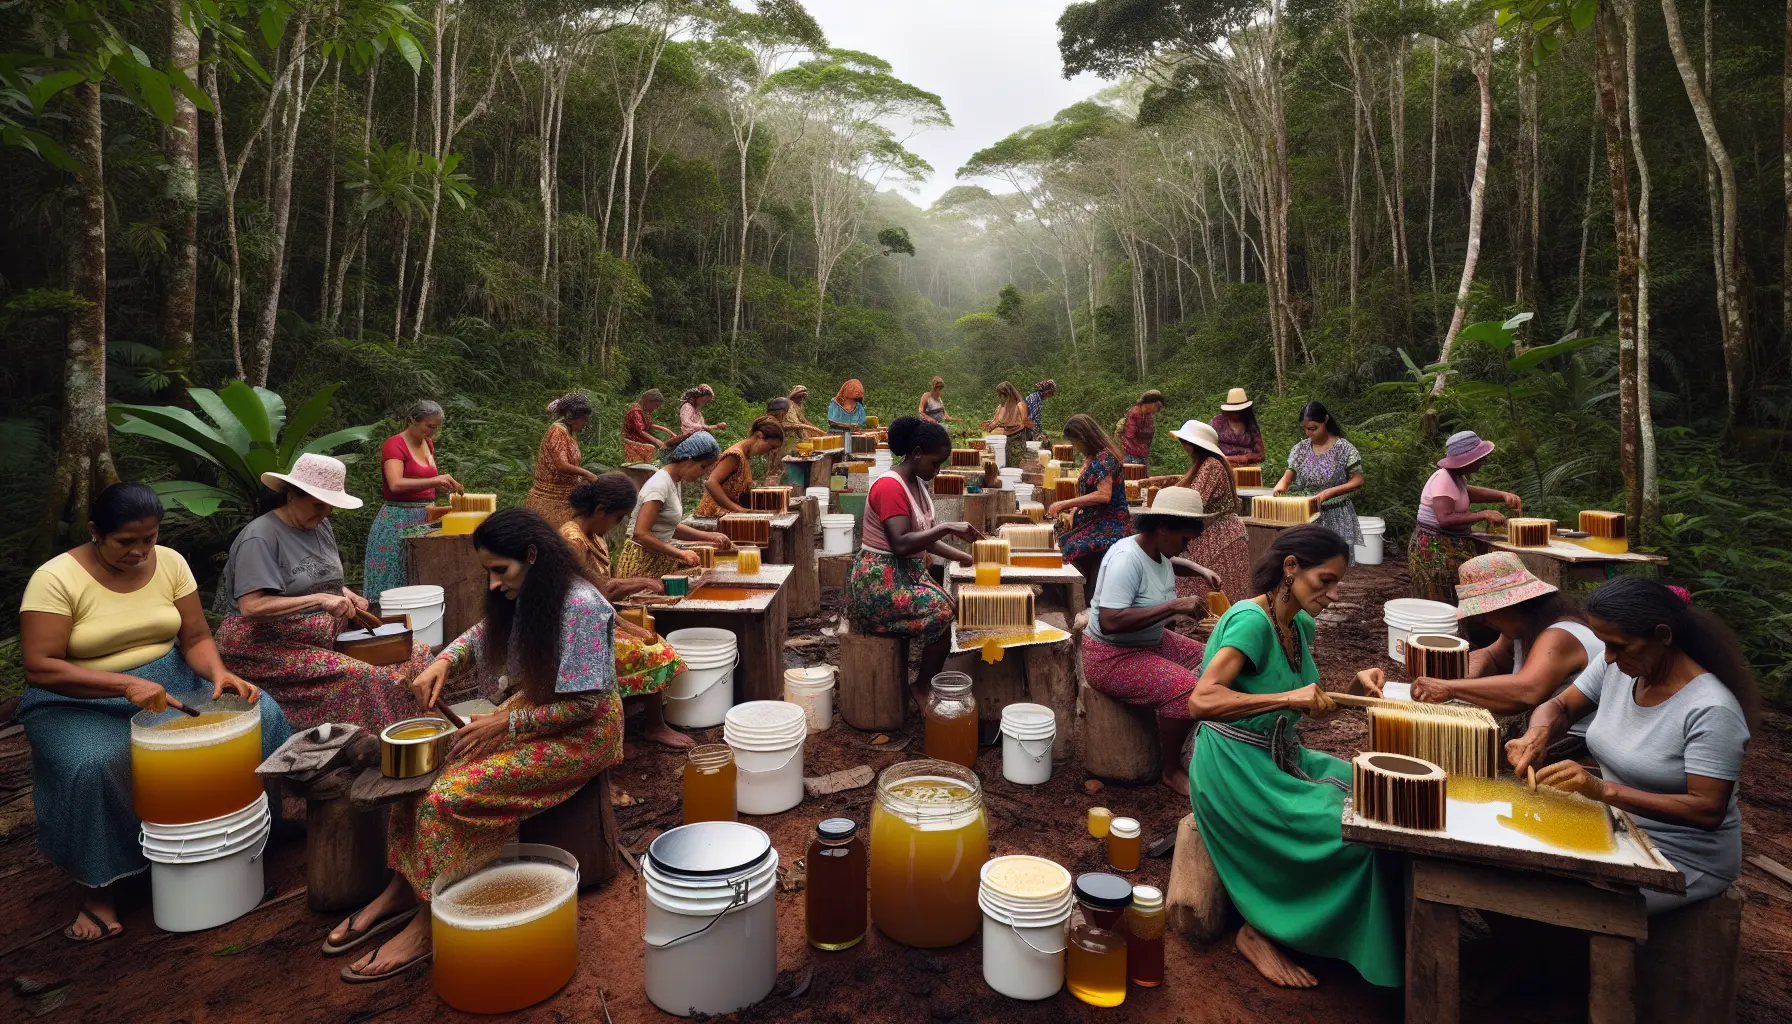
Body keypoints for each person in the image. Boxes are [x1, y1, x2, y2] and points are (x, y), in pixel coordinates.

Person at [328, 508, 624, 980]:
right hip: (535, 713)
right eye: (487, 571)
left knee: (450, 797)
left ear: (531, 556)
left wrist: (503, 726)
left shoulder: (583, 607)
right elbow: (483, 634)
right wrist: (444, 661)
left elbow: (585, 706)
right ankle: (404, 886)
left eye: (499, 570)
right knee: (430, 773)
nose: (491, 584)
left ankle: (427, 921)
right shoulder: (533, 588)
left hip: (581, 734)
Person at [19, 483, 292, 942]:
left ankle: (253, 836)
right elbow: (40, 665)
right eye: (126, 541)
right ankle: (100, 888)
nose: (141, 551)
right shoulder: (55, 578)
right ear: (95, 532)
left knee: (258, 711)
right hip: (77, 698)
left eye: (149, 539)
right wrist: (124, 683)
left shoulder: (169, 562)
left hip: (173, 681)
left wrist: (218, 674)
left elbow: (195, 638)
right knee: (97, 764)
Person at [1188, 525, 1400, 989]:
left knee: (1378, 799)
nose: (1334, 593)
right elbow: (1201, 702)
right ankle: (1261, 929)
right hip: (1233, 768)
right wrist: (1286, 699)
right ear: (1290, 568)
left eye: (1337, 582)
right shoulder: (1251, 622)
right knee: (1348, 833)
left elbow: (1310, 712)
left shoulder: (1299, 623)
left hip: (1280, 756)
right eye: (1326, 580)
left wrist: (1349, 692)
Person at [1508, 577, 1755, 915]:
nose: (1607, 657)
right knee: (1510, 857)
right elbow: (1561, 707)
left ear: (1663, 636)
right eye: (1604, 644)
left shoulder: (1711, 710)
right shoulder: (1620, 667)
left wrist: (1602, 790)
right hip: (1618, 824)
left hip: (1680, 855)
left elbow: (1707, 809)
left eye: (1619, 646)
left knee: (1558, 902)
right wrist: (1537, 732)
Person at [215, 454, 431, 730]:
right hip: (264, 644)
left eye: (329, 506)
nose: (324, 512)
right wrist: (320, 600)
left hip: (323, 633)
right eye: (318, 504)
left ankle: (424, 728)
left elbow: (314, 575)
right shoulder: (260, 537)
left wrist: (345, 593)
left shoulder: (319, 524)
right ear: (291, 495)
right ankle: (381, 742)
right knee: (366, 677)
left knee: (417, 653)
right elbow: (252, 607)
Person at [1080, 487, 1224, 795]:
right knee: (1186, 689)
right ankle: (1170, 769)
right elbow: (1110, 621)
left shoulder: (1156, 550)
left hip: (1151, 641)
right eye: (1184, 540)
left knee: (1217, 656)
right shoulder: (1126, 559)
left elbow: (1168, 564)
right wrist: (1174, 606)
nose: (1185, 548)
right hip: (1111, 656)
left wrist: (1198, 569)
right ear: (1161, 528)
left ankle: (1195, 734)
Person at [846, 416, 980, 710]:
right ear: (917, 453)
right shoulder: (891, 487)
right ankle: (920, 687)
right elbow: (901, 542)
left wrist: (970, 558)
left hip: (904, 573)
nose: (938, 469)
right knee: (943, 611)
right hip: (879, 582)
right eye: (935, 462)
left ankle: (925, 678)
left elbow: (925, 541)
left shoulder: (916, 484)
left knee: (950, 601)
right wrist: (947, 527)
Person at [561, 476, 690, 751]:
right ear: (600, 511)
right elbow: (586, 597)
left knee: (652, 638)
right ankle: (650, 726)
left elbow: (602, 591)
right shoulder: (572, 541)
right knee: (657, 652)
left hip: (598, 620)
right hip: (579, 632)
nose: (617, 525)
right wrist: (640, 582)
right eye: (618, 517)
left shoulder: (593, 536)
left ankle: (639, 720)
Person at [364, 400, 464, 601]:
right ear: (412, 420)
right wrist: (435, 480)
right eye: (429, 426)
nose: (432, 432)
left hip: (425, 518)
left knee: (421, 578)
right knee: (396, 579)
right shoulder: (394, 445)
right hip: (398, 519)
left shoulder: (428, 443)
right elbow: (395, 484)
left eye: (436, 428)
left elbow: (423, 481)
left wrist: (438, 486)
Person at [1409, 429, 1522, 603]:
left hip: (1448, 543)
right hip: (1436, 547)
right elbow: (1444, 519)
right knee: (1445, 598)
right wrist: (1483, 514)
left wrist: (1501, 495)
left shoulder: (1456, 478)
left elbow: (1468, 493)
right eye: (1480, 458)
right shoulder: (1443, 478)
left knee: (1460, 594)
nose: (1484, 461)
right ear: (1467, 460)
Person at [616, 432, 734, 579]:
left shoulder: (673, 481)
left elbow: (669, 526)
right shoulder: (659, 485)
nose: (703, 474)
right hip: (640, 563)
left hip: (657, 561)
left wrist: (710, 536)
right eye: (702, 467)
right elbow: (641, 534)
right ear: (688, 459)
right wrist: (680, 553)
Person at [1165, 420, 1251, 604]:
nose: (1183, 446)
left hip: (1220, 537)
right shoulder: (1204, 464)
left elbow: (1195, 501)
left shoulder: (1211, 465)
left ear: (1194, 444)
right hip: (1215, 534)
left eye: (1184, 441)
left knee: (1217, 592)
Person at [1272, 402, 1364, 560]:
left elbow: (1358, 480)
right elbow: (1289, 474)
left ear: (1326, 420)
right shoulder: (1300, 449)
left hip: (1335, 513)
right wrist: (1281, 486)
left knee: (1332, 561)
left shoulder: (1345, 449)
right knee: (1306, 560)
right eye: (1306, 429)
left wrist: (1331, 492)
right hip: (1307, 511)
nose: (1309, 433)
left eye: (1314, 428)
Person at [1049, 413, 1134, 579]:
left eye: (1075, 442)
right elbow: (1089, 493)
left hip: (1110, 525)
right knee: (1062, 539)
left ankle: (1082, 593)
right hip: (1095, 520)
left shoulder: (1105, 458)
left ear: (1084, 438)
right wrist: (1074, 510)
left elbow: (1104, 495)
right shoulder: (1092, 458)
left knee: (1070, 548)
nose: (1075, 447)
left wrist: (1065, 503)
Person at [525, 394, 600, 529]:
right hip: (551, 499)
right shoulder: (557, 431)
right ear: (571, 419)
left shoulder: (567, 432)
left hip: (565, 496)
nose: (586, 423)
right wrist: (587, 474)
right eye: (584, 419)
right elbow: (561, 464)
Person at [696, 416, 785, 517]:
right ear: (759, 436)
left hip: (728, 515)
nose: (769, 452)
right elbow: (711, 483)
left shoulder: (745, 456)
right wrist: (740, 510)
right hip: (714, 516)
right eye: (771, 447)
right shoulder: (735, 455)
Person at [1210, 387, 1265, 466]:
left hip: (1247, 468)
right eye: (1234, 411)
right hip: (1221, 466)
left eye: (1239, 411)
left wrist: (1238, 459)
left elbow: (1260, 455)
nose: (1236, 413)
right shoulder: (1217, 422)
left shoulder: (1251, 424)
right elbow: (1207, 447)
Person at [622, 389, 678, 465]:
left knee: (666, 438)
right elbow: (641, 431)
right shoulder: (635, 412)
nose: (656, 409)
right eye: (656, 405)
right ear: (649, 401)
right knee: (654, 448)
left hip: (640, 438)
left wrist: (668, 431)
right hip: (631, 440)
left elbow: (650, 425)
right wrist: (656, 441)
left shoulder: (642, 411)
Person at [982, 382, 1029, 455]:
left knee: (1016, 459)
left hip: (1017, 438)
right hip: (1008, 438)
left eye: (1000, 394)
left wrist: (997, 425)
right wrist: (991, 423)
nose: (998, 397)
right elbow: (1000, 419)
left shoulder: (1019, 406)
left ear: (1006, 394)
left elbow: (1015, 423)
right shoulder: (1001, 407)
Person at [1120, 390, 1164, 468]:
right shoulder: (1135, 413)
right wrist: (1140, 449)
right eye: (1157, 406)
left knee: (1142, 478)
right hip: (1132, 453)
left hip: (1142, 453)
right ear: (1150, 403)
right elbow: (1130, 436)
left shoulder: (1149, 415)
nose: (1158, 409)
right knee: (1134, 478)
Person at [1019, 380, 1056, 445]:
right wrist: (1038, 434)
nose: (1047, 397)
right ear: (1046, 392)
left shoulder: (1037, 398)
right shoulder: (1034, 399)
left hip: (1029, 430)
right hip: (1025, 431)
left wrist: (1040, 432)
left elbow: (1037, 419)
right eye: (1049, 394)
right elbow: (1030, 420)